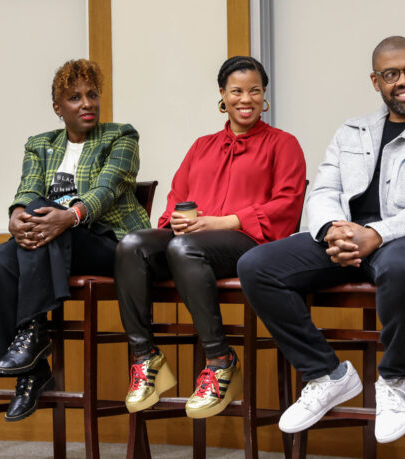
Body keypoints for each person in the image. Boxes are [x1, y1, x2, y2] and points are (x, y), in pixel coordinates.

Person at [238, 36, 405, 444]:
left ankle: (392, 381)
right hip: (353, 241)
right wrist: (333, 229)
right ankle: (326, 374)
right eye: (391, 74)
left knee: (401, 264)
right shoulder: (351, 131)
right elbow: (324, 190)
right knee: (257, 266)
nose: (403, 81)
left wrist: (377, 234)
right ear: (376, 81)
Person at [115, 56, 306, 419]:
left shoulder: (283, 144)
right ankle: (146, 358)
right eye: (237, 91)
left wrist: (222, 222)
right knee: (132, 245)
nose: (245, 99)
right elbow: (177, 197)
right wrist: (177, 220)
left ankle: (220, 361)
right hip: (189, 244)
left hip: (250, 245)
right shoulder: (202, 146)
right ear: (222, 94)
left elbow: (287, 204)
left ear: (264, 95)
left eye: (254, 90)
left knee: (184, 248)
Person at [0, 59, 150, 422]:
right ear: (58, 107)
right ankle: (33, 369)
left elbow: (107, 189)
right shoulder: (40, 144)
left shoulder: (120, 136)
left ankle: (32, 337)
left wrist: (69, 216)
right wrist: (16, 216)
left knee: (47, 219)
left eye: (92, 95)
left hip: (107, 243)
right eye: (75, 97)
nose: (87, 104)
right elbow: (27, 189)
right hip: (51, 244)